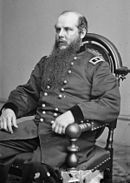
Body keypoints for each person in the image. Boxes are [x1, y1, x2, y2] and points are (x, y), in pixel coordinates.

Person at [0, 10, 120, 183]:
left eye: (67, 30)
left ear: (82, 32)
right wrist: (10, 108)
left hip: (72, 138)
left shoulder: (96, 67)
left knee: (38, 169)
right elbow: (28, 92)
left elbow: (111, 103)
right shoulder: (47, 62)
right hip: (37, 129)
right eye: (58, 30)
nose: (60, 35)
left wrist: (74, 114)